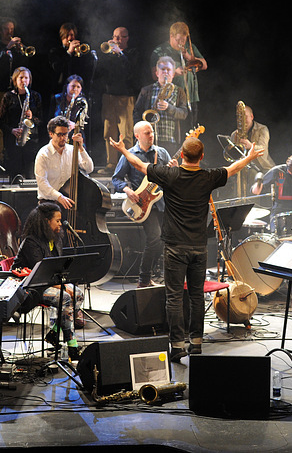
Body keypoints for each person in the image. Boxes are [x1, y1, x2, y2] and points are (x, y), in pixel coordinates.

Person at [109, 134, 264, 363]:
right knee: (196, 296)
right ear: (202, 157)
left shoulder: (170, 175)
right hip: (199, 248)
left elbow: (139, 165)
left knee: (173, 298)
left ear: (181, 155)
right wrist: (250, 157)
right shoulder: (209, 177)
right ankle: (197, 343)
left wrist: (122, 149)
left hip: (174, 247)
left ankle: (178, 346)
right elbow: (233, 169)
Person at [10, 202, 84, 360]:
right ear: (45, 221)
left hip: (48, 282)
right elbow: (41, 274)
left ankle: (54, 333)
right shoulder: (31, 242)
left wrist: (64, 284)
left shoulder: (55, 239)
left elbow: (56, 267)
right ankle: (72, 346)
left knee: (78, 294)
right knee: (65, 297)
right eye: (57, 221)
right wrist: (62, 286)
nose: (60, 224)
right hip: (30, 288)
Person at [111, 121, 173, 287]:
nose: (151, 135)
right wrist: (127, 190)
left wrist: (174, 169)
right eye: (147, 133)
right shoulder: (130, 155)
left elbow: (171, 177)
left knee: (163, 241)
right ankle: (143, 279)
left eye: (152, 132)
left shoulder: (162, 153)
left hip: (161, 203)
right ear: (137, 136)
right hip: (142, 205)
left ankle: (148, 275)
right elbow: (115, 179)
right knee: (154, 238)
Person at [97, 26, 141, 174]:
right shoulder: (108, 54)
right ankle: (111, 164)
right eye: (114, 36)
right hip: (109, 96)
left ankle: (128, 164)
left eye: (120, 37)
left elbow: (131, 71)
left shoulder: (132, 53)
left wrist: (120, 54)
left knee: (126, 133)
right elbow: (100, 72)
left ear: (127, 38)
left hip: (125, 97)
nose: (116, 40)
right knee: (108, 131)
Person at [0, 18, 26, 162]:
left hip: (15, 92)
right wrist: (7, 47)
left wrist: (19, 50)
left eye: (12, 30)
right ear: (0, 31)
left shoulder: (16, 49)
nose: (10, 32)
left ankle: (13, 159)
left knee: (15, 125)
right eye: (7, 29)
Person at [150, 22, 207, 125]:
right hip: (173, 98)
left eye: (184, 40)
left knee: (191, 128)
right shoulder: (160, 51)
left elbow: (204, 65)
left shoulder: (190, 47)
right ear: (171, 36)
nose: (181, 43)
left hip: (191, 96)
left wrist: (189, 57)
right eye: (178, 40)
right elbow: (154, 75)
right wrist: (174, 73)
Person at [133, 56, 189, 158]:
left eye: (168, 70)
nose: (166, 72)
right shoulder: (146, 90)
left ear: (173, 74)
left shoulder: (179, 91)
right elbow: (136, 112)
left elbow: (184, 113)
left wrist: (169, 107)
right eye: (163, 70)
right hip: (150, 139)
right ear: (157, 73)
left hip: (170, 139)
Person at [35, 116, 94, 209]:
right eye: (59, 134)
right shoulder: (43, 154)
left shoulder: (72, 150)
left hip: (69, 202)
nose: (63, 138)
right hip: (49, 203)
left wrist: (81, 149)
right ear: (51, 134)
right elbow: (42, 183)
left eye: (65, 134)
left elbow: (89, 168)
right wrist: (59, 197)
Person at [251, 153, 292, 233]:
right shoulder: (277, 172)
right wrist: (256, 188)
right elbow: (257, 189)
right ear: (289, 171)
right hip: (280, 212)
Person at [0, 67, 43, 180]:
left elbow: (41, 120)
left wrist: (32, 117)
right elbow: (0, 121)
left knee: (31, 175)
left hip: (31, 141)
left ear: (30, 80)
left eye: (26, 78)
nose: (24, 81)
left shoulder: (36, 96)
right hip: (13, 142)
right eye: (21, 77)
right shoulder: (8, 96)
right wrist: (12, 130)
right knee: (14, 175)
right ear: (15, 80)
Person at [228, 104, 276, 197]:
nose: (243, 120)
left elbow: (263, 148)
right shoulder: (235, 134)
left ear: (252, 116)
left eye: (245, 117)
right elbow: (232, 152)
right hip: (245, 168)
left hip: (263, 167)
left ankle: (253, 207)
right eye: (240, 118)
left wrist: (250, 146)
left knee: (252, 175)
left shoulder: (262, 129)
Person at [48, 22, 96, 96]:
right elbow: (57, 67)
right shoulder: (55, 51)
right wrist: (69, 52)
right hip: (60, 90)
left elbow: (87, 70)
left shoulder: (78, 51)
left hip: (77, 90)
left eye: (72, 35)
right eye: (67, 35)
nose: (70, 38)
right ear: (62, 37)